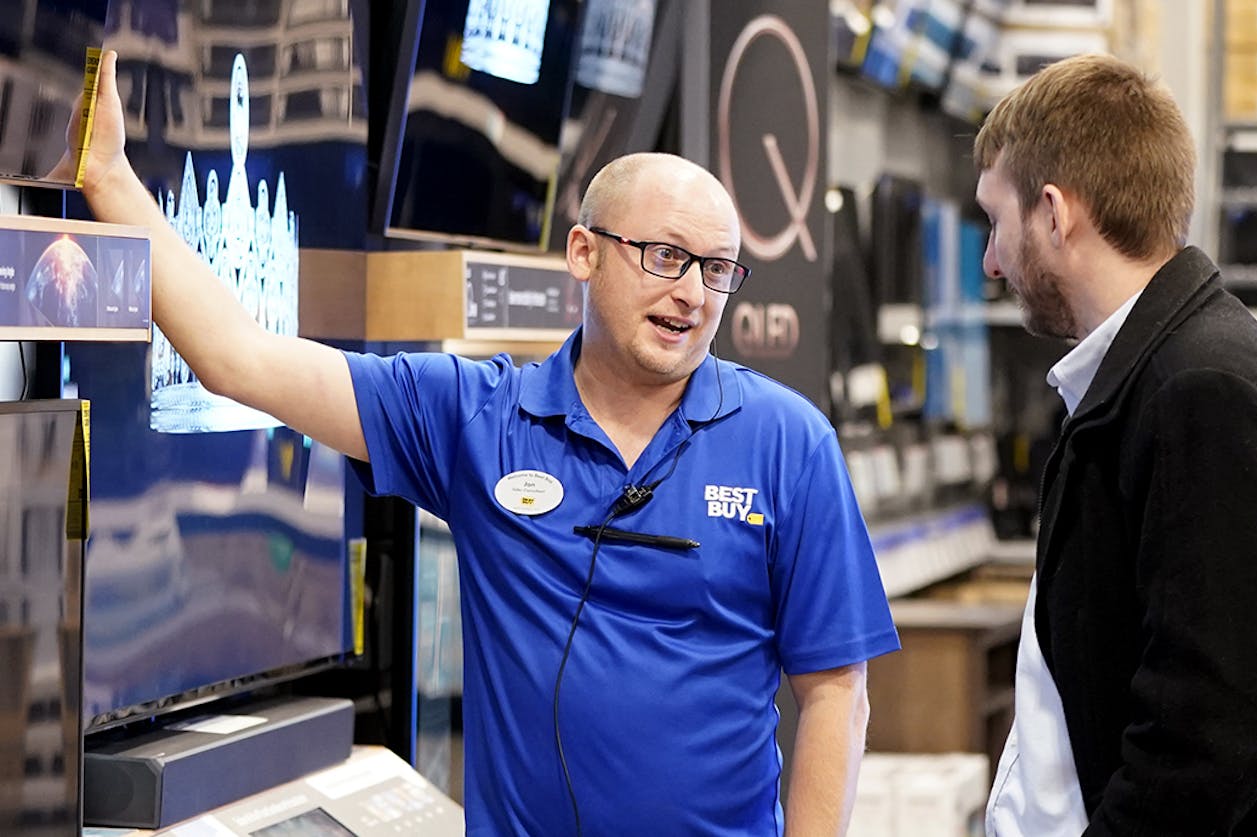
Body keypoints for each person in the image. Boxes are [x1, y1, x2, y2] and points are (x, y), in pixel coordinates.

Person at [60, 51, 900, 835]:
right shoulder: (473, 415)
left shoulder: (790, 443)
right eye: (663, 255)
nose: (691, 293)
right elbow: (238, 359)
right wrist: (111, 180)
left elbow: (836, 692)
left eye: (717, 269)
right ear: (583, 252)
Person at [973, 54, 1257, 834]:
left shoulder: (1201, 391)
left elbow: (1214, 727)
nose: (991, 259)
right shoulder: (1149, 379)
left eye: (997, 221)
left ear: (1055, 213)